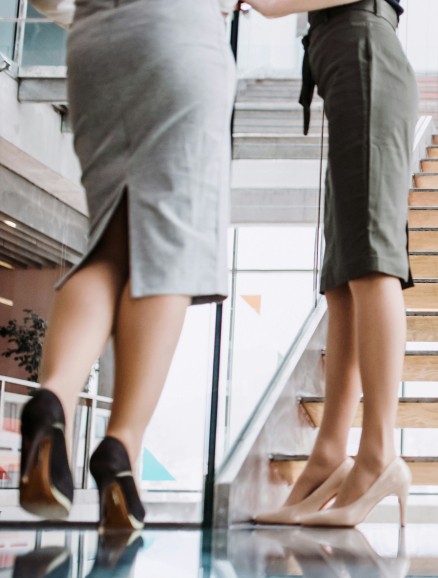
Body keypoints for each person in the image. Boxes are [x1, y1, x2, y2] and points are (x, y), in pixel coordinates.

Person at [19, 0, 235, 532]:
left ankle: (53, 399)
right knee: (168, 249)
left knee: (109, 247)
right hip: (181, 35)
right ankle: (122, 444)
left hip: (96, 43)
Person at [245, 0, 415, 527]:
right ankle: (328, 453)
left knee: (369, 260)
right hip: (346, 61)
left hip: (362, 54)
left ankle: (380, 453)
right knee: (342, 276)